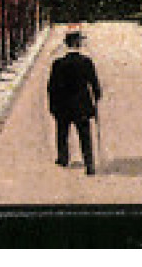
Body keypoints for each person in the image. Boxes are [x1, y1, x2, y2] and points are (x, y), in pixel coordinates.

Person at [47, 28, 102, 175]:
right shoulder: (86, 62)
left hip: (63, 106)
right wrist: (96, 99)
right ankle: (89, 164)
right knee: (85, 135)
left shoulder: (57, 64)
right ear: (78, 44)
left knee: (62, 133)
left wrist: (52, 107)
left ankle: (63, 158)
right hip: (81, 105)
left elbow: (51, 88)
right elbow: (95, 86)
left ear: (66, 44)